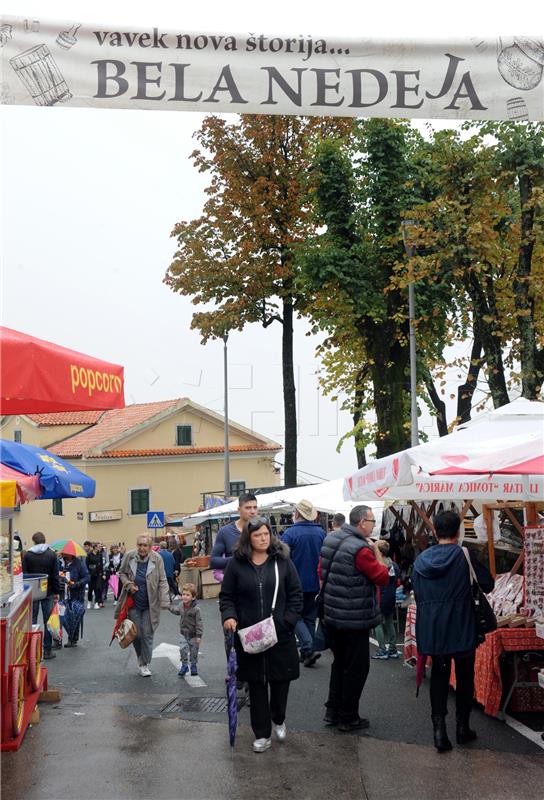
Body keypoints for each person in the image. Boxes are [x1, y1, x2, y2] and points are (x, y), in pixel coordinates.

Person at [412, 510, 494, 752]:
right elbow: (487, 584)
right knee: (465, 675)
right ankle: (462, 728)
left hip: (432, 627)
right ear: (458, 531)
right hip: (461, 625)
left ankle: (439, 733)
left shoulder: (420, 561)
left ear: (435, 532)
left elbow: (417, 593)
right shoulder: (464, 555)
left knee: (438, 674)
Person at [220, 517, 303, 753]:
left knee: (280, 683)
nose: (263, 538)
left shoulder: (283, 561)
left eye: (266, 534)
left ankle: (279, 717)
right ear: (248, 537)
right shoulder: (236, 564)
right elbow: (227, 597)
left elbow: (296, 595)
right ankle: (262, 734)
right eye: (257, 535)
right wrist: (229, 616)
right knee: (256, 686)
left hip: (280, 634)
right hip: (249, 635)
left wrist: (288, 622)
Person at [320, 505, 389, 732]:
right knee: (357, 668)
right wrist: (377, 551)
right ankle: (348, 716)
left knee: (339, 663)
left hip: (332, 613)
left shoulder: (332, 539)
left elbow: (320, 570)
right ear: (362, 523)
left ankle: (333, 709)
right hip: (353, 617)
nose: (373, 525)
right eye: (371, 521)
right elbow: (382, 577)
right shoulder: (361, 549)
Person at [117, 534, 170, 677]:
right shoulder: (129, 556)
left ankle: (144, 663)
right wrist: (128, 584)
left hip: (150, 604)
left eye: (145, 545)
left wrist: (165, 600)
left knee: (147, 634)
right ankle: (141, 657)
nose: (142, 548)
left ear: (150, 546)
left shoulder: (157, 559)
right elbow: (121, 573)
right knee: (136, 634)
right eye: (139, 545)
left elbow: (163, 580)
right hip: (133, 603)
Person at [281, 499, 326, 667]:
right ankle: (308, 652)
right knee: (309, 616)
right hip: (316, 582)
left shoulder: (289, 534)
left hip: (295, 583)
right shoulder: (321, 533)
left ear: (297, 514)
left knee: (295, 616)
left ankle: (307, 646)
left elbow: (282, 560)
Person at [22, 531, 61, 660]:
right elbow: (55, 576)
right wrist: (56, 592)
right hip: (48, 592)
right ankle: (47, 650)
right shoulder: (51, 555)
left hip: (32, 592)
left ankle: (31, 651)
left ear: (34, 541)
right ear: (44, 540)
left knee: (31, 621)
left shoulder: (28, 555)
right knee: (47, 621)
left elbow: (24, 575)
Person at [210, 493, 258, 571]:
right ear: (239, 510)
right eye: (248, 508)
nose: (252, 511)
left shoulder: (263, 530)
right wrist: (237, 559)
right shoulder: (225, 532)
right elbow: (213, 561)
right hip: (234, 580)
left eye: (255, 507)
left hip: (259, 580)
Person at [371, 540, 401, 660]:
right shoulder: (394, 565)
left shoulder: (378, 565)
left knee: (378, 624)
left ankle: (382, 650)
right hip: (391, 596)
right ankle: (393, 649)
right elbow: (398, 582)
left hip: (380, 595)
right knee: (389, 621)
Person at [169, 582, 203, 676]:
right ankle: (184, 665)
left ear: (193, 597)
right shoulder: (180, 605)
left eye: (187, 595)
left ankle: (193, 665)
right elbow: (176, 611)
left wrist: (199, 636)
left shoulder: (196, 609)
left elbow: (199, 623)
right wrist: (169, 607)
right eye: (183, 594)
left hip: (193, 635)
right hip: (183, 633)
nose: (185, 597)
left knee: (193, 651)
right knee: (183, 650)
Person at [61, 550, 89, 647]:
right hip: (64, 594)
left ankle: (72, 638)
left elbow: (86, 578)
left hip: (76, 594)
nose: (63, 554)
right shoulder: (62, 563)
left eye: (65, 552)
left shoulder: (79, 564)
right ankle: (69, 637)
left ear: (70, 554)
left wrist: (76, 584)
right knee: (65, 617)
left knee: (74, 616)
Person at [86, 542, 104, 609]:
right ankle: (89, 601)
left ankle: (96, 603)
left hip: (98, 574)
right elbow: (86, 565)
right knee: (90, 589)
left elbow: (101, 564)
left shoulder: (100, 554)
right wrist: (88, 573)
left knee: (98, 588)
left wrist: (102, 574)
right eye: (99, 546)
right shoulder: (89, 555)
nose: (100, 547)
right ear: (95, 547)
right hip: (91, 574)